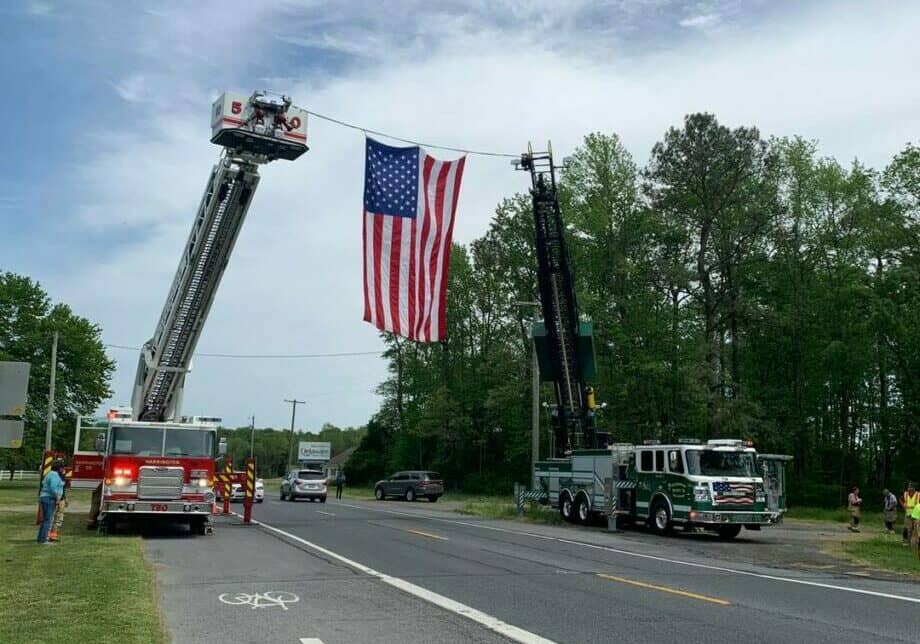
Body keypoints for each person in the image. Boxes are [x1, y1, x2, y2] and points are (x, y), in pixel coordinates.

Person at [37, 460, 65, 545]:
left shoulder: (50, 474)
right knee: (48, 520)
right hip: (49, 498)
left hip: (45, 497)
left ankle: (40, 538)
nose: (63, 469)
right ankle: (43, 540)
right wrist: (57, 498)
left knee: (45, 519)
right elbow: (53, 488)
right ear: (59, 468)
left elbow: (43, 483)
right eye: (62, 467)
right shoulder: (55, 475)